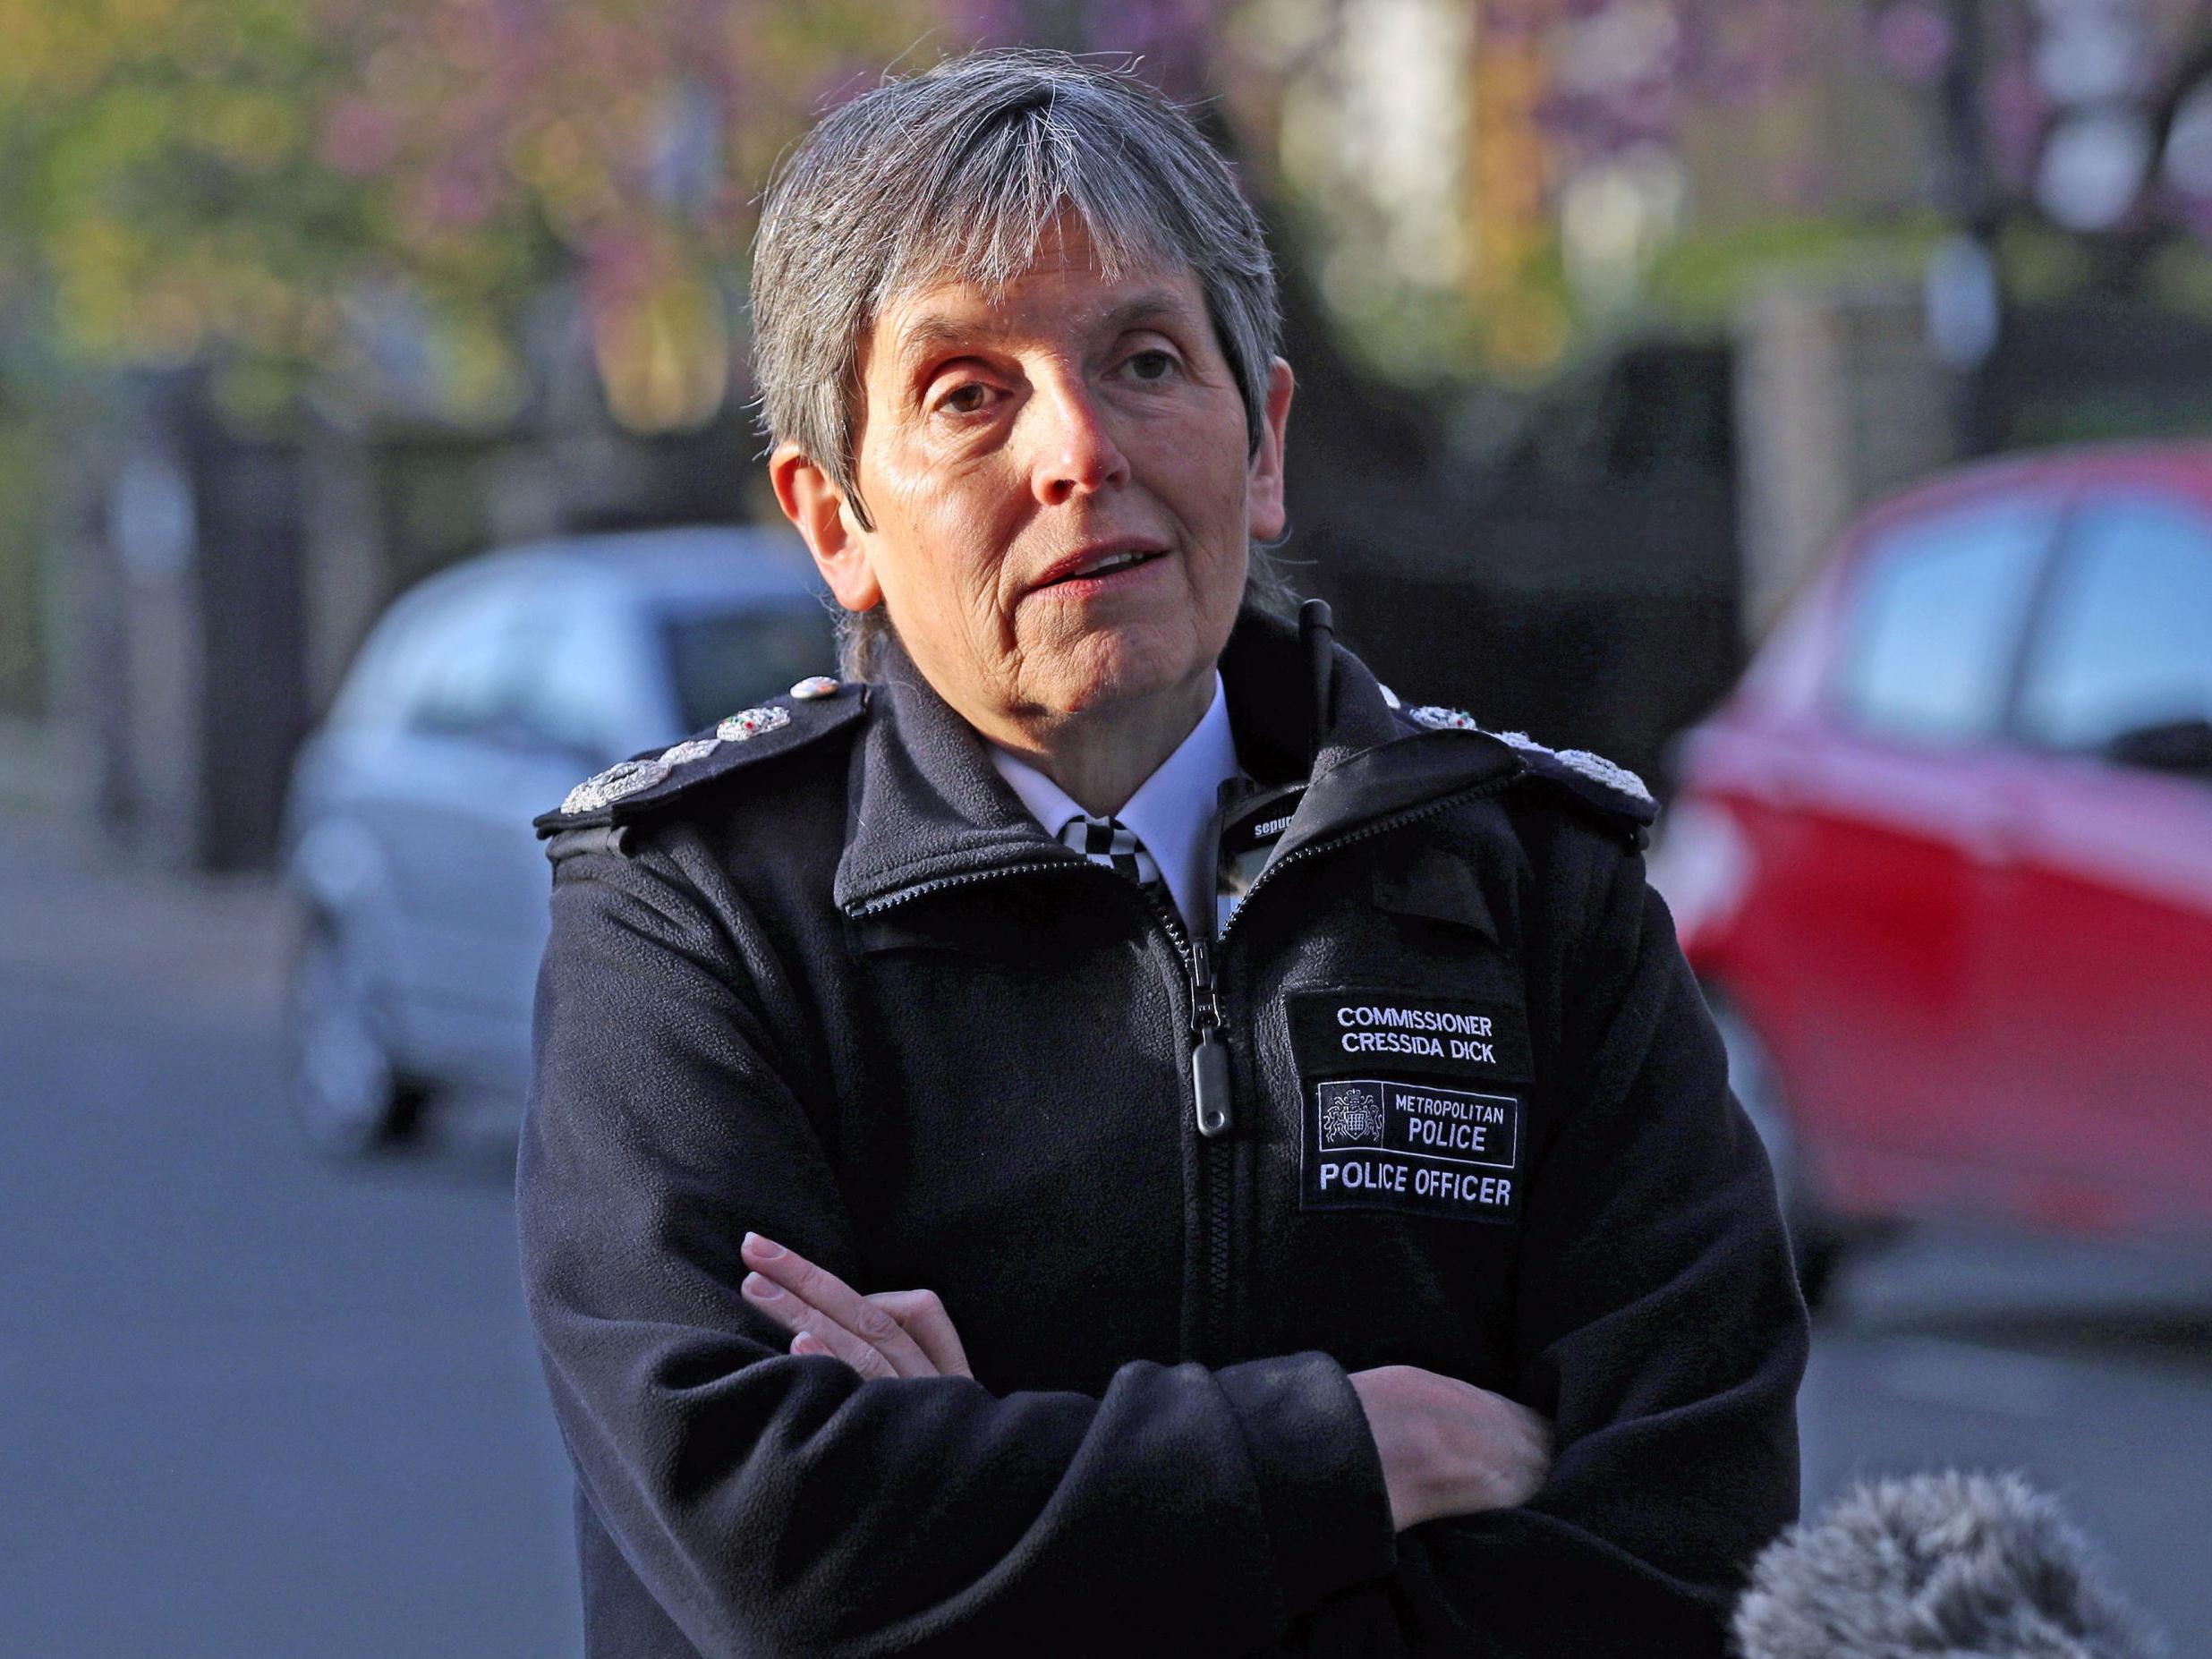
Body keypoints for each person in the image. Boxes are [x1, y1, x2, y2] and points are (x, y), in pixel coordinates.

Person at [517, 47, 1808, 1658]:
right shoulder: (696, 913)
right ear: (834, 519)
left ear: (1263, 445)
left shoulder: (1541, 893)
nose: (1080, 450)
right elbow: (778, 1546)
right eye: (967, 392)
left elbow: (1685, 1558)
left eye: (1143, 359)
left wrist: (993, 1504)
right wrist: (1350, 1456)